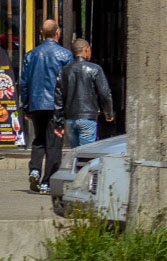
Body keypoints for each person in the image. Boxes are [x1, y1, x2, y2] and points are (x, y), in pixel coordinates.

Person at [20, 20, 73, 193]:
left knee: (38, 140)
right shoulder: (65, 55)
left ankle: (35, 169)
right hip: (55, 105)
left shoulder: (31, 55)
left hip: (36, 103)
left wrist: (27, 106)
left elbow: (24, 83)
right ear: (57, 32)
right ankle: (47, 182)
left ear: (42, 33)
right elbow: (67, 84)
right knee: (54, 144)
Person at [53, 38, 114, 149]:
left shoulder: (64, 71)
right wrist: (108, 113)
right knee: (86, 153)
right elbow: (105, 93)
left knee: (76, 152)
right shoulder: (95, 69)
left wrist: (59, 122)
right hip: (88, 117)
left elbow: (58, 98)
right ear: (86, 50)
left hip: (70, 118)